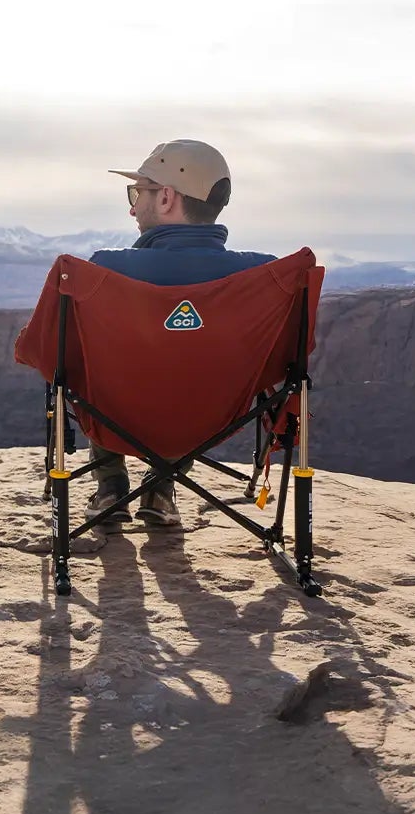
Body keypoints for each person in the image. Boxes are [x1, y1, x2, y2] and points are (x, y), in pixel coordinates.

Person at [86, 139, 275, 527]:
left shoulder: (102, 273)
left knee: (92, 372)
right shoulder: (264, 280)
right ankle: (161, 487)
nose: (132, 205)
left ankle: (110, 487)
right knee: (188, 376)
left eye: (138, 192)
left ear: (167, 197)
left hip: (114, 417)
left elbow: (51, 356)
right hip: (212, 419)